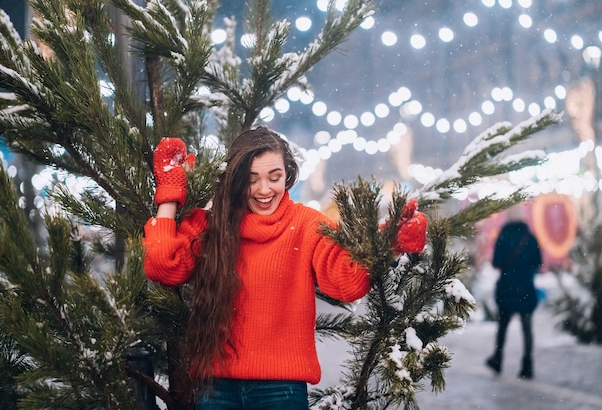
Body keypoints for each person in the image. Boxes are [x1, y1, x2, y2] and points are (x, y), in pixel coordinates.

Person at [143, 126, 426, 409]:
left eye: (274, 177)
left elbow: (347, 280)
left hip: (281, 390)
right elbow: (163, 266)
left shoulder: (307, 225)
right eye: (251, 180)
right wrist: (170, 191)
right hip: (215, 386)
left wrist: (389, 241)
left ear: (287, 175)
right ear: (236, 181)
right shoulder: (211, 225)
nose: (264, 190)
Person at [486, 220, 542, 379]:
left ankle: (498, 359)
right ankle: (527, 365)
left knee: (502, 326)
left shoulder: (503, 236)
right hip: (525, 287)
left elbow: (496, 262)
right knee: (527, 328)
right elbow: (538, 262)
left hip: (507, 287)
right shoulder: (530, 237)